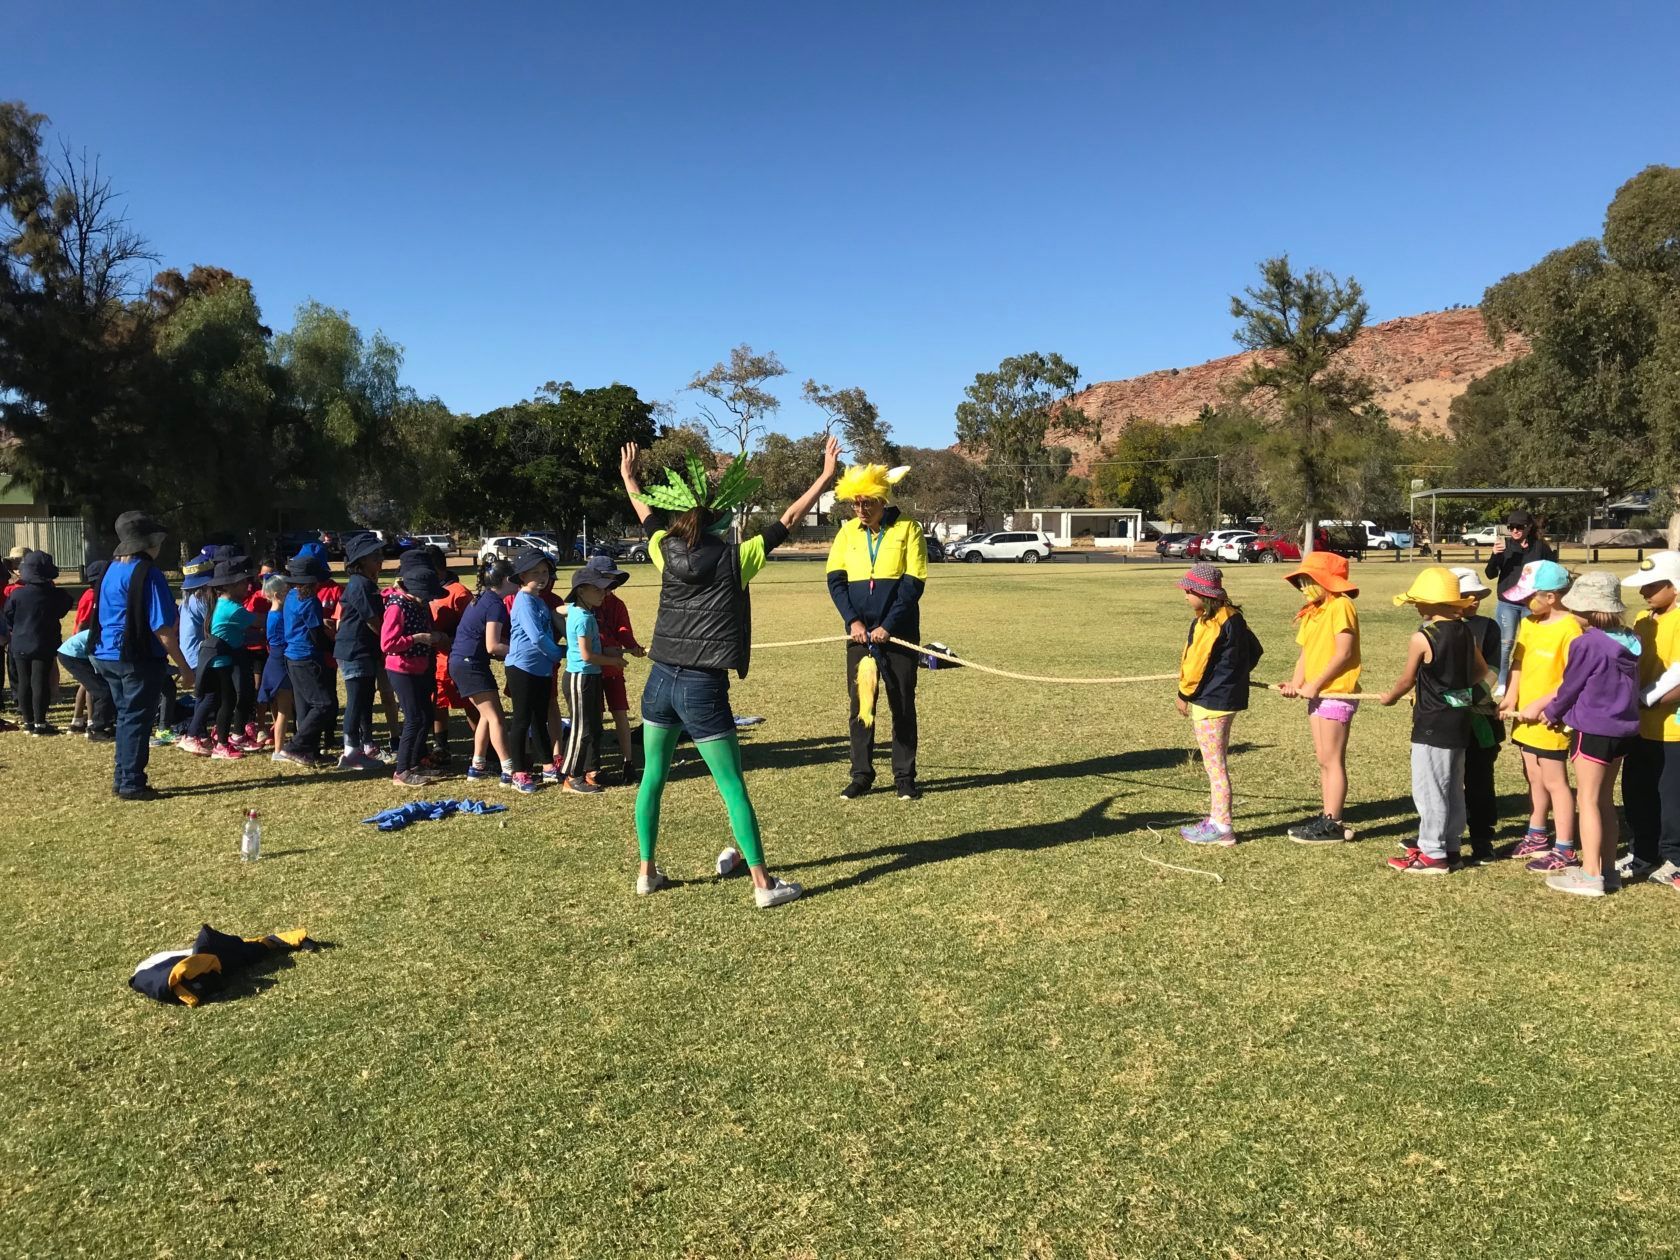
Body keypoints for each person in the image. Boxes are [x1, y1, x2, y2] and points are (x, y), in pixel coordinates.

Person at [619, 435, 840, 909]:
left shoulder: (664, 551)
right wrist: (823, 477)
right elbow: (788, 520)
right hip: (702, 684)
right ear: (721, 520)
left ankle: (647, 872)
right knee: (732, 783)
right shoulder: (737, 559)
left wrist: (629, 478)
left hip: (659, 679)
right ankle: (763, 885)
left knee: (652, 776)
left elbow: (648, 517)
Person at [1530, 572, 1640, 897]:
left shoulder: (1587, 643)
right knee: (1605, 800)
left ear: (1589, 610)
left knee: (1587, 800)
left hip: (1593, 730)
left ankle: (1591, 875)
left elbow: (1570, 686)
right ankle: (1607, 870)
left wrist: (1551, 713)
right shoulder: (1633, 639)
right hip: (1623, 731)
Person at [826, 461, 928, 801]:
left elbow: (913, 583)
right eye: (855, 503)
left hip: (898, 636)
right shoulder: (846, 533)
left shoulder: (909, 529)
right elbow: (835, 581)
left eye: (866, 502)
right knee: (861, 706)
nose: (860, 509)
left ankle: (904, 776)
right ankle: (861, 774)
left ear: (882, 500)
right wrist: (854, 622)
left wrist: (888, 626)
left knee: (902, 703)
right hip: (858, 636)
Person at [1379, 568, 1485, 874]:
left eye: (1419, 601)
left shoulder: (1422, 637)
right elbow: (1480, 670)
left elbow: (1406, 679)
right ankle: (1451, 847)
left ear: (1432, 604)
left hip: (1430, 723)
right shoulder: (1466, 630)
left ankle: (1432, 853)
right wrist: (1458, 689)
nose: (1415, 606)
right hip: (1458, 720)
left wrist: (1391, 696)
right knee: (1452, 786)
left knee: (1429, 789)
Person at [91, 511, 196, 801]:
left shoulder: (109, 570)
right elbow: (162, 626)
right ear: (148, 542)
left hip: (106, 653)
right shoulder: (149, 574)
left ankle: (123, 777)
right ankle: (131, 782)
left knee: (127, 716)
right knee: (137, 719)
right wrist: (184, 667)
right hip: (137, 656)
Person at [1497, 560, 1582, 869]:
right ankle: (1537, 835)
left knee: (1554, 781)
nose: (1523, 601)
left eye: (1529, 596)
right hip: (1525, 716)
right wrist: (1511, 696)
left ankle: (1565, 848)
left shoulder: (1571, 628)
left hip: (1550, 720)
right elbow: (1518, 663)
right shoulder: (1530, 623)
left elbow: (1574, 678)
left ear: (1552, 597)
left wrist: (1544, 703)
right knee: (1532, 775)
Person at [1173, 563, 1263, 846]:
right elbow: (1255, 650)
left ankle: (1222, 826)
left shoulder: (1212, 623)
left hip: (1211, 703)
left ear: (1203, 593)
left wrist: (1183, 694)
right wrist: (1235, 674)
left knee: (1215, 768)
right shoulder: (1233, 616)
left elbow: (1196, 665)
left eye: (1189, 590)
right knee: (1216, 764)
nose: (1185, 594)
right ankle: (1216, 819)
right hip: (1226, 699)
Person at [1279, 551, 1362, 843]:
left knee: (1332, 759)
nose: (1302, 586)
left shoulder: (1341, 606)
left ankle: (1334, 823)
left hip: (1336, 692)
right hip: (1319, 694)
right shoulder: (1313, 611)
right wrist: (1296, 683)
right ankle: (1328, 817)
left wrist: (1315, 684)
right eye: (1300, 581)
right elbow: (1305, 653)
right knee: (1323, 759)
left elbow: (1344, 652)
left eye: (1307, 579)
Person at [1620, 552, 1680, 893]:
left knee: (1671, 799)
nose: (1644, 592)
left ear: (1675, 587)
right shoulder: (1643, 619)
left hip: (1672, 730)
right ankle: (1641, 852)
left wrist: (1645, 700)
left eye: (1653, 586)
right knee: (1637, 791)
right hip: (1638, 727)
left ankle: (1674, 859)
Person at [1449, 567, 1505, 863]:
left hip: (1479, 718)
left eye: (1477, 595)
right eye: (1464, 595)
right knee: (1443, 778)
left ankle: (1483, 839)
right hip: (1442, 720)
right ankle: (1441, 837)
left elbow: (1494, 667)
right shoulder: (1431, 627)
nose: (1473, 600)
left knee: (1480, 778)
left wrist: (1470, 696)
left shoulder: (1488, 627)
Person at [381, 549, 447, 786]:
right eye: (425, 596)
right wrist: (416, 638)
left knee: (425, 715)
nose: (428, 600)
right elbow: (387, 643)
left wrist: (433, 636)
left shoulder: (419, 604)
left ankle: (417, 761)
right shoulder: (397, 606)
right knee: (413, 718)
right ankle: (401, 771)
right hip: (401, 669)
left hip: (420, 667)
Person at [451, 557, 517, 786]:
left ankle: (477, 766)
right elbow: (493, 645)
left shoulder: (483, 598)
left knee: (486, 716)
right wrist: (521, 652)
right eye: (516, 578)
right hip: (470, 664)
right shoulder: (495, 605)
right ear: (508, 580)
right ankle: (509, 770)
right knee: (496, 717)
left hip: (464, 661)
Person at [504, 548, 564, 793]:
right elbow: (537, 637)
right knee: (521, 720)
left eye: (545, 572)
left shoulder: (539, 600)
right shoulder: (524, 600)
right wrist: (561, 653)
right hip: (522, 668)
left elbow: (547, 634)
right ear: (521, 576)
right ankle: (519, 773)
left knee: (540, 720)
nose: (542, 577)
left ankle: (548, 766)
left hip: (542, 669)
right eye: (535, 572)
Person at [559, 566, 622, 794]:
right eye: (598, 589)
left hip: (591, 675)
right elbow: (586, 655)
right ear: (582, 591)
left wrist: (611, 653)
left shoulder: (584, 612)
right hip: (580, 677)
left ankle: (591, 771)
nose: (603, 594)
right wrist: (611, 661)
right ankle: (571, 776)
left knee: (595, 726)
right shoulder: (582, 617)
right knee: (581, 728)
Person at [1485, 510, 1557, 694]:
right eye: (1511, 527)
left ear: (1528, 527)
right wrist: (1495, 556)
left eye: (1519, 527)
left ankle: (1525, 680)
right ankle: (1502, 683)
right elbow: (1490, 574)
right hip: (1507, 602)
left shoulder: (1540, 547)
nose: (1515, 530)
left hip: (1531, 603)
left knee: (1530, 642)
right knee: (1506, 643)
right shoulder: (1504, 546)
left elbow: (1552, 569)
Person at [3, 551, 75, 734]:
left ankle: (28, 722)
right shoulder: (57, 595)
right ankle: (40, 723)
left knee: (24, 682)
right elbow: (63, 609)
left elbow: (8, 615)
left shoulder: (17, 594)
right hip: (44, 642)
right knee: (40, 682)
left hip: (19, 642)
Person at [589, 552, 646, 782]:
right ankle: (593, 766)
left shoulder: (617, 604)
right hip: (590, 670)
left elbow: (624, 631)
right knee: (594, 718)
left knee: (620, 713)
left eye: (612, 582)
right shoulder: (583, 603)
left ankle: (628, 762)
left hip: (613, 670)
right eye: (604, 580)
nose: (608, 587)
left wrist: (632, 646)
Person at [277, 553, 335, 767]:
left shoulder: (291, 595)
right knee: (324, 704)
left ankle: (309, 751)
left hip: (292, 656)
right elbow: (316, 635)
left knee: (305, 706)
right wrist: (335, 648)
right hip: (307, 657)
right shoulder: (310, 601)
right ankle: (296, 745)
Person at [334, 532, 387, 770]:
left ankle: (363, 747)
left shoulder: (367, 583)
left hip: (364, 649)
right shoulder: (360, 584)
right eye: (375, 555)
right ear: (361, 559)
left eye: (380, 554)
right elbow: (372, 620)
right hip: (355, 649)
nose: (380, 559)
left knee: (365, 698)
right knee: (356, 701)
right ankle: (350, 752)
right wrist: (391, 641)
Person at [201, 559, 256, 759]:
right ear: (229, 586)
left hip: (224, 659)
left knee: (231, 699)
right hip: (223, 661)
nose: (247, 586)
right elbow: (260, 621)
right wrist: (277, 605)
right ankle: (221, 745)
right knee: (228, 702)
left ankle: (227, 738)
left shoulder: (224, 603)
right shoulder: (232, 609)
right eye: (242, 583)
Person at [427, 545, 472, 766]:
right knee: (438, 702)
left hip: (455, 656)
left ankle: (484, 746)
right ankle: (440, 744)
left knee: (469, 701)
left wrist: (448, 638)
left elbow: (472, 628)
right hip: (432, 658)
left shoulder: (459, 592)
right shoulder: (423, 590)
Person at [254, 574, 295, 758]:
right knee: (284, 710)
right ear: (278, 595)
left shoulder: (272, 614)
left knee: (280, 708)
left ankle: (281, 745)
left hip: (274, 660)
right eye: (287, 591)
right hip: (280, 662)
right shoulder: (279, 616)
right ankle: (279, 750)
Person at [57, 625, 115, 740]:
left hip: (77, 653)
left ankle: (79, 723)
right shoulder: (106, 636)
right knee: (102, 690)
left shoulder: (110, 632)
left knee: (92, 686)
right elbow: (97, 659)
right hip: (72, 655)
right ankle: (96, 729)